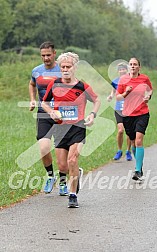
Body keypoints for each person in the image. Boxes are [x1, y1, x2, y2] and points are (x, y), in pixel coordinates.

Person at [42, 52, 101, 208]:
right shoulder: (54, 84)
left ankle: (73, 195)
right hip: (60, 128)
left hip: (77, 127)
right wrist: (51, 112)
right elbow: (44, 103)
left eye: (68, 66)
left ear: (75, 68)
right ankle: (76, 173)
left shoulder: (82, 86)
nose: (65, 69)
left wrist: (92, 114)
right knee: (63, 167)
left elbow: (97, 100)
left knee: (72, 159)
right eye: (63, 67)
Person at [29, 41, 64, 194]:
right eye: (43, 55)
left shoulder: (63, 69)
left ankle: (63, 181)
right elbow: (32, 84)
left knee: (61, 150)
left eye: (48, 55)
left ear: (54, 53)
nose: (45, 58)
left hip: (62, 113)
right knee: (44, 148)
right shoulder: (36, 71)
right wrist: (32, 98)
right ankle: (51, 176)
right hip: (44, 112)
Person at [116, 57, 153, 181]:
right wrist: (126, 93)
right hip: (128, 115)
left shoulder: (144, 79)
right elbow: (118, 97)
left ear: (139, 67)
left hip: (142, 113)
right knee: (132, 142)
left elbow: (149, 90)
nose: (132, 66)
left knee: (138, 140)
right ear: (128, 67)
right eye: (131, 64)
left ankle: (137, 170)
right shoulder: (123, 79)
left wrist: (148, 97)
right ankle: (139, 165)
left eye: (135, 64)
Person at [107, 63, 132, 161]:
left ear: (127, 70)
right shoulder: (115, 81)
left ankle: (128, 152)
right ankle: (119, 151)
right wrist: (110, 96)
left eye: (123, 69)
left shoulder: (131, 80)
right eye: (120, 69)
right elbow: (113, 91)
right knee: (121, 130)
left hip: (129, 108)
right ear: (118, 71)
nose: (122, 71)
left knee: (129, 132)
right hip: (118, 109)